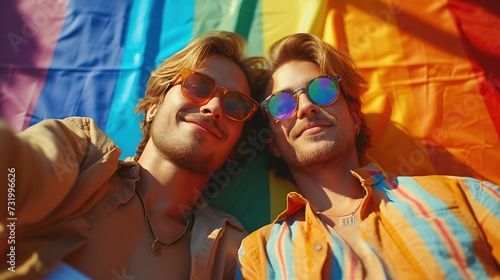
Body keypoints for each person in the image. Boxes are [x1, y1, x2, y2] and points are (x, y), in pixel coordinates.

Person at [0, 30, 266, 279]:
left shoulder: (231, 250)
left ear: (234, 148)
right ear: (154, 107)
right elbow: (16, 170)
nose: (215, 107)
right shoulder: (81, 152)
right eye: (198, 86)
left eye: (236, 105)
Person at [236, 33, 500, 279]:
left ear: (354, 117)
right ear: (271, 143)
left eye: (323, 90)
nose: (305, 107)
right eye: (282, 105)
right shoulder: (258, 258)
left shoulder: (464, 197)